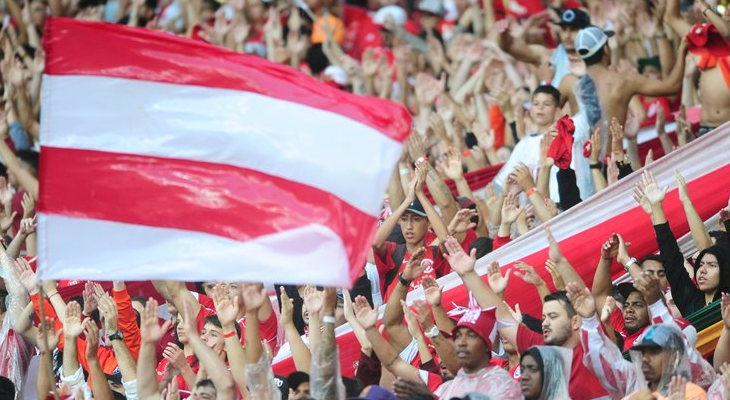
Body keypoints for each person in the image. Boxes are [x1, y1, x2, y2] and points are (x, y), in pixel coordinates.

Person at [442, 231, 610, 400]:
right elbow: (502, 317)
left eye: (553, 316)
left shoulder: (593, 344)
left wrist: (560, 261)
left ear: (575, 321)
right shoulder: (541, 347)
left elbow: (583, 299)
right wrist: (468, 274)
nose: (545, 323)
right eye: (544, 318)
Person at [352, 295, 521, 398]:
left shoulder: (504, 384)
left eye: (470, 336)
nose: (461, 342)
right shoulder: (444, 385)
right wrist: (370, 330)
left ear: (487, 346)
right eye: (458, 336)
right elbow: (395, 363)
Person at [574, 25, 688, 129]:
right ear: (606, 50)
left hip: (586, 152)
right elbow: (672, 86)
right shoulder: (624, 80)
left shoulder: (570, 84)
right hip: (615, 151)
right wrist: (682, 51)